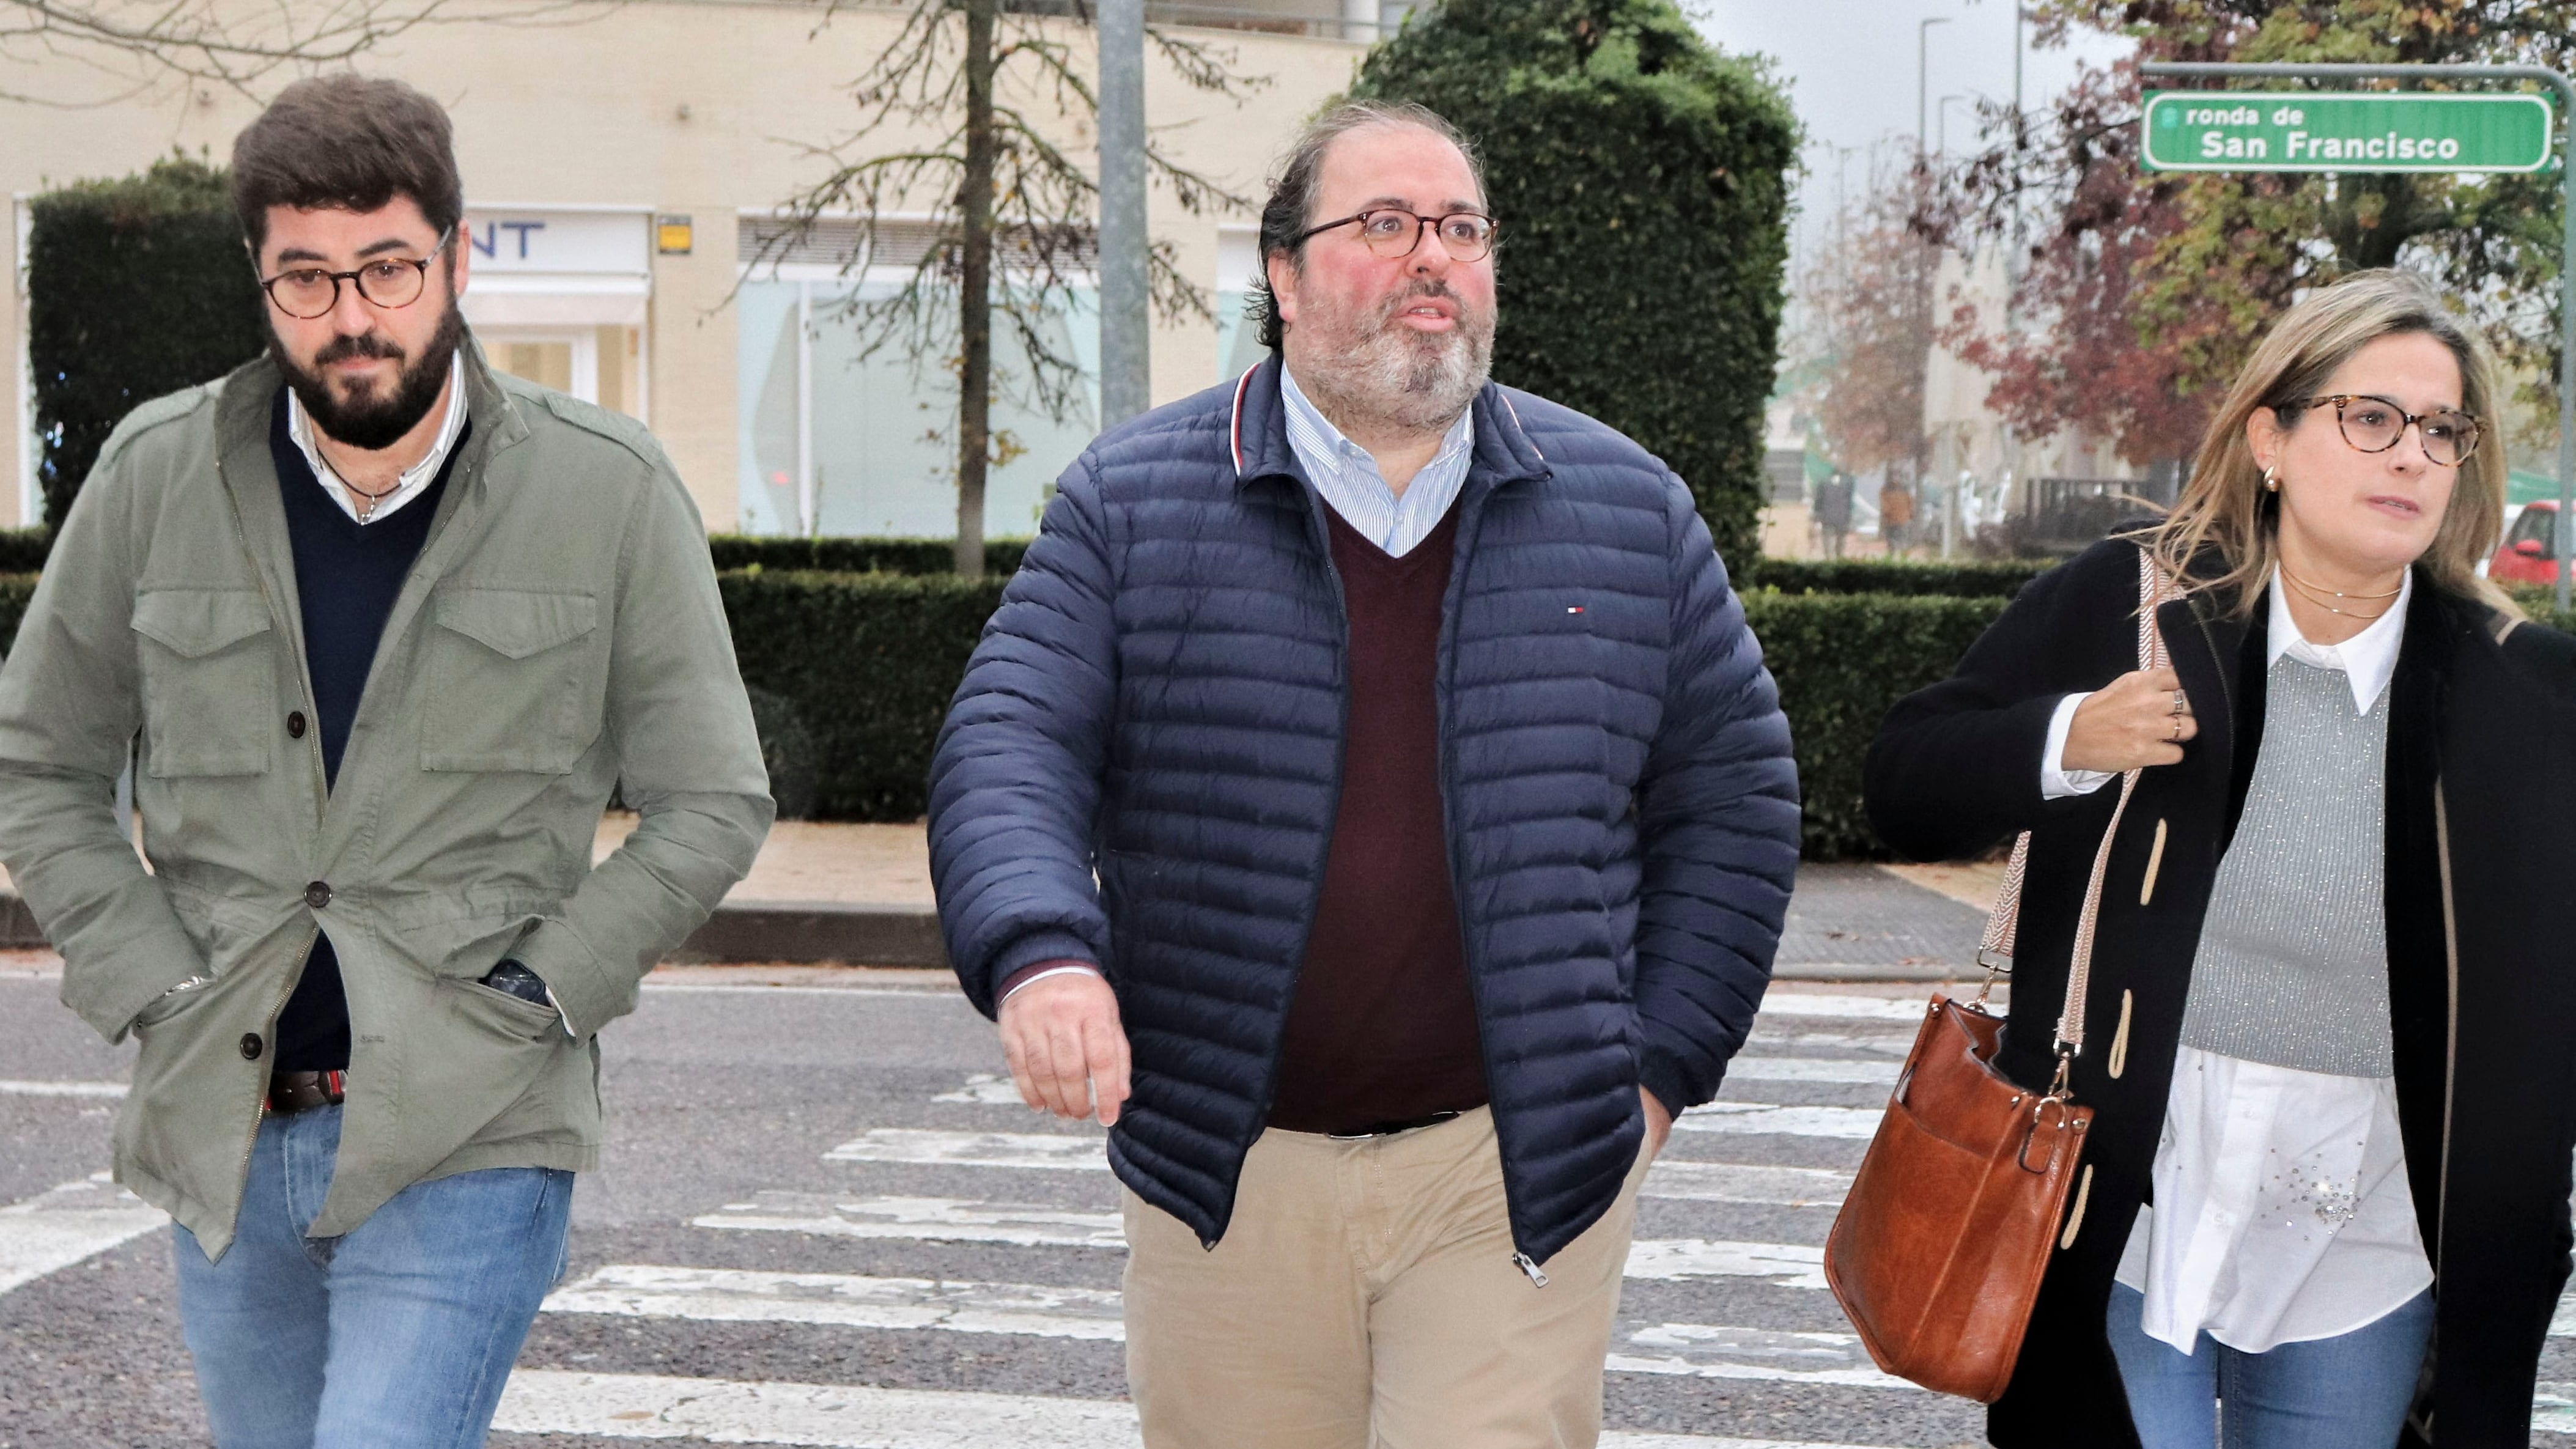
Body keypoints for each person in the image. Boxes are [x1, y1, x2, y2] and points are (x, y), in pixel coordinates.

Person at [928, 100, 1799, 1447]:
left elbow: (1736, 803)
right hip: (1230, 1170)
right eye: (1383, 225)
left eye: (1459, 229)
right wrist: (1044, 955)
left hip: (1511, 1173)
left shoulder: (1629, 513)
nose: (1431, 258)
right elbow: (1009, 743)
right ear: (1282, 277)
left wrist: (1655, 1074)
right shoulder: (1135, 501)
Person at [0, 75, 770, 1448]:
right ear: (260, 276)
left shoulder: (608, 489)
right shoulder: (151, 477)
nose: (352, 316)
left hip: (470, 1132)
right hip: (222, 1131)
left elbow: (713, 797)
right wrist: (151, 982)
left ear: (457, 260)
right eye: (307, 278)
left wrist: (546, 995)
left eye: (389, 269)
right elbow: (34, 764)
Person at [1864, 268, 2576, 1448]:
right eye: (2369, 418)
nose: (2409, 456)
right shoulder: (2131, 607)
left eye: (2440, 430)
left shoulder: (2521, 691)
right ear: (2270, 438)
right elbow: (1901, 782)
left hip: (2366, 1237)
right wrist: (2063, 740)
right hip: (2122, 1204)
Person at [1878, 477, 1915, 556]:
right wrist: (1911, 515)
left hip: (1893, 520)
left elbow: (1885, 508)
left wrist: (1886, 515)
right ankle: (1903, 557)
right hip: (1903, 519)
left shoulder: (1885, 492)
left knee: (1893, 539)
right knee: (1903, 539)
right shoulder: (1905, 491)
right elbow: (1911, 504)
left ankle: (1894, 555)